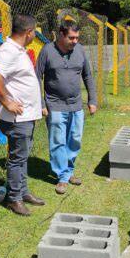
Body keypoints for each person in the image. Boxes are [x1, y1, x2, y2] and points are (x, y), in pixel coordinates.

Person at [0, 13, 45, 216]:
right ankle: (14, 199)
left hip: (26, 116)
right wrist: (7, 101)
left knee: (22, 157)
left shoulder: (18, 50)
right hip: (17, 118)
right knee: (17, 159)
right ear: (29, 32)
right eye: (34, 32)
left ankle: (23, 192)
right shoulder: (8, 51)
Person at [36, 20, 97, 194]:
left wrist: (92, 100)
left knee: (74, 139)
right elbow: (36, 77)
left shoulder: (80, 50)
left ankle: (69, 170)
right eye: (71, 38)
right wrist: (41, 103)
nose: (75, 41)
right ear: (61, 35)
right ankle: (62, 176)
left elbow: (87, 75)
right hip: (54, 105)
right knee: (57, 142)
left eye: (77, 37)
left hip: (76, 105)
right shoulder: (47, 51)